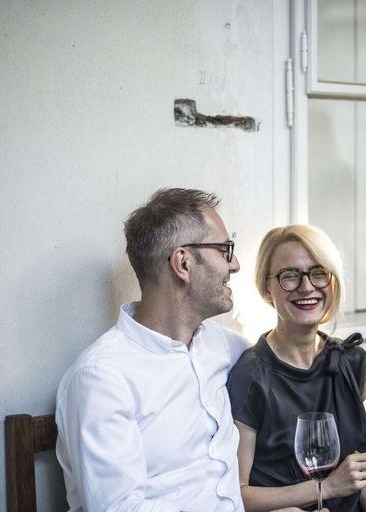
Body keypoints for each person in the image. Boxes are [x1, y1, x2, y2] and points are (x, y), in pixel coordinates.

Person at [55, 188, 250, 511]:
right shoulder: (101, 377)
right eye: (224, 250)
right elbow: (119, 508)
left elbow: (282, 359)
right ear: (183, 263)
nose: (235, 265)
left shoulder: (223, 346)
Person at [227, 224, 366, 512]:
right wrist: (326, 488)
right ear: (266, 289)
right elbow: (238, 495)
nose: (307, 287)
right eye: (289, 275)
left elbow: (362, 467)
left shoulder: (350, 361)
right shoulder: (251, 376)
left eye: (318, 273)